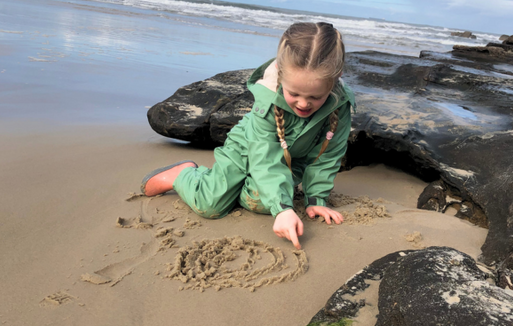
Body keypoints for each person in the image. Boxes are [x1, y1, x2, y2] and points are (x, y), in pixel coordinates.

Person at [141, 22, 355, 250]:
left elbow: (328, 155)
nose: (303, 103)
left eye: (315, 96)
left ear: (335, 78)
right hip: (244, 148)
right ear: (281, 74)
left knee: (260, 202)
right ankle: (181, 174)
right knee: (210, 205)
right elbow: (264, 157)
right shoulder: (269, 101)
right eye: (293, 93)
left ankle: (248, 188)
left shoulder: (340, 106)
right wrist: (283, 209)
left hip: (292, 159)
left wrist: (316, 199)